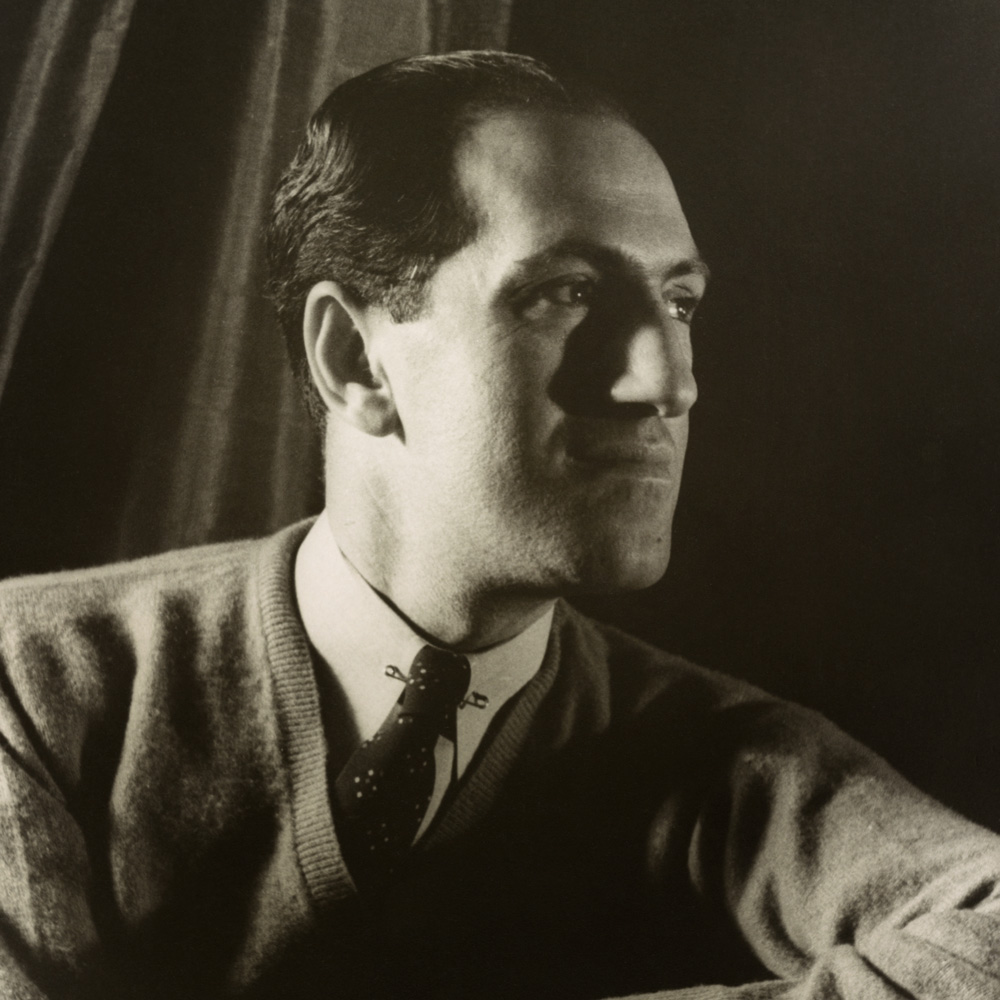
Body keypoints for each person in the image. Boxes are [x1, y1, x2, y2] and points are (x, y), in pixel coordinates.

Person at [0, 50, 998, 1000]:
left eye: (680, 303)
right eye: (566, 294)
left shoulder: (724, 761)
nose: (669, 381)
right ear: (353, 359)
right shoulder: (37, 684)